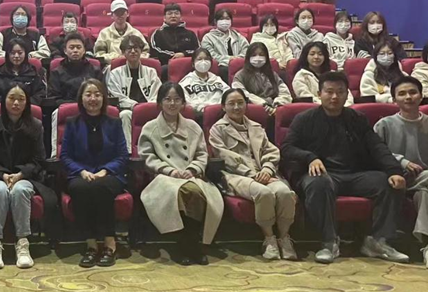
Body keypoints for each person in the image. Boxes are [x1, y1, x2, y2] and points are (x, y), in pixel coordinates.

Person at [280, 71, 408, 264]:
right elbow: (287, 148)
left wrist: (394, 171)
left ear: (347, 94)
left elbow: (377, 146)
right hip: (321, 174)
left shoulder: (357, 118)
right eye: (329, 91)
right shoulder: (304, 119)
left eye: (340, 92)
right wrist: (310, 158)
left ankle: (377, 241)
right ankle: (328, 242)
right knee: (318, 184)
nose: (334, 96)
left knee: (389, 183)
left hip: (354, 174)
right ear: (319, 93)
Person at [374, 77, 428, 271]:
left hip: (426, 182)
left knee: (425, 193)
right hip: (396, 180)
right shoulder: (384, 124)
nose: (408, 97)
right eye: (402, 93)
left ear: (421, 96)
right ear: (394, 99)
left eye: (413, 92)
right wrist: (402, 161)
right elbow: (376, 153)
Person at [0, 84, 58, 269]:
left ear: (27, 102)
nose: (16, 103)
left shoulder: (35, 126)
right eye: (12, 98)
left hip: (27, 177)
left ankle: (23, 242)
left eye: (21, 99)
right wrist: (2, 175)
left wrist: (20, 174)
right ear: (4, 101)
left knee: (20, 190)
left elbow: (39, 159)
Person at [139, 82, 224, 265]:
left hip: (191, 174)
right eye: (167, 99)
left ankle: (188, 243)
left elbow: (202, 153)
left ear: (183, 103)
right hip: (164, 177)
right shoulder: (150, 128)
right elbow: (147, 157)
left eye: (177, 99)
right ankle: (187, 244)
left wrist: (192, 169)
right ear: (159, 103)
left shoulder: (193, 127)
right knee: (187, 192)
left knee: (199, 193)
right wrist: (170, 170)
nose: (172, 103)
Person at [208, 89, 296, 260]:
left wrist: (267, 169)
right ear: (223, 107)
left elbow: (271, 151)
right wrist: (250, 173)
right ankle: (269, 238)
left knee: (284, 192)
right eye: (231, 103)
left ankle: (284, 237)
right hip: (236, 175)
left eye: (240, 103)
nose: (236, 107)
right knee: (263, 193)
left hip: (263, 173)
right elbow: (224, 156)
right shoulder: (218, 129)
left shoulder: (256, 127)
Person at [61, 79, 128, 268]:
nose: (93, 99)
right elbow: (65, 156)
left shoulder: (114, 123)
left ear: (104, 98)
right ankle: (91, 245)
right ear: (81, 98)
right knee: (80, 188)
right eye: (88, 94)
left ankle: (109, 244)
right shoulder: (72, 123)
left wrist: (105, 171)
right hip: (81, 174)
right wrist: (81, 171)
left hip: (109, 174)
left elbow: (122, 155)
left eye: (97, 94)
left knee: (101, 187)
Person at [47, 33, 105, 157]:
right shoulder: (57, 72)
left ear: (84, 50)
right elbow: (53, 99)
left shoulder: (95, 70)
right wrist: (77, 105)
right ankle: (55, 156)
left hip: (93, 110)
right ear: (65, 50)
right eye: (71, 47)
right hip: (67, 111)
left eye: (78, 47)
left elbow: (102, 94)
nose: (75, 50)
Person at [107, 35, 161, 149]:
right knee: (125, 115)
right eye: (129, 49)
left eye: (136, 48)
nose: (133, 51)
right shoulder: (115, 73)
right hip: (128, 109)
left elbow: (157, 93)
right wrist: (136, 106)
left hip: (149, 108)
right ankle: (128, 151)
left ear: (141, 51)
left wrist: (147, 107)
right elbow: (117, 96)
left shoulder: (151, 72)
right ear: (123, 52)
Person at [232, 43, 292, 116]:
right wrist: (263, 104)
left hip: (275, 108)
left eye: (261, 55)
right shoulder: (239, 75)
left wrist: (278, 104)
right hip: (254, 110)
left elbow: (284, 91)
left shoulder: (272, 74)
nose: (258, 58)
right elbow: (241, 94)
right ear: (248, 57)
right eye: (254, 55)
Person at [0, 38, 46, 105]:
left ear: (25, 54)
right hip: (3, 107)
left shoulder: (33, 73)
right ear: (7, 55)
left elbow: (40, 94)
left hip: (28, 107)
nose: (16, 56)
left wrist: (24, 103)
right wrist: (8, 102)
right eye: (12, 53)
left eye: (20, 53)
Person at [292, 41, 354, 105]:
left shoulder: (333, 74)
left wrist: (344, 106)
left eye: (320, 54)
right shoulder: (301, 76)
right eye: (312, 54)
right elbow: (307, 98)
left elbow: (347, 94)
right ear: (306, 57)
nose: (316, 57)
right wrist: (328, 105)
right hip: (314, 108)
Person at [93, 0, 149, 66]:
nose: (120, 15)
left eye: (122, 12)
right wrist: (117, 58)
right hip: (111, 66)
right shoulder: (104, 33)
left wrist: (131, 58)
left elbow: (145, 52)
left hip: (134, 66)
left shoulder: (136, 33)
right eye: (117, 13)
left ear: (127, 14)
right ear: (112, 15)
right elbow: (98, 54)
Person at [201, 9, 249, 81]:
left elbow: (247, 50)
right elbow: (210, 55)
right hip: (222, 66)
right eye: (221, 19)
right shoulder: (208, 37)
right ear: (215, 21)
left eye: (227, 18)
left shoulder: (237, 36)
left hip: (239, 64)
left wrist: (237, 60)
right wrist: (229, 60)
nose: (224, 21)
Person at [179, 48, 230, 115]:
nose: (203, 62)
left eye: (206, 59)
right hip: (198, 114)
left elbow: (228, 93)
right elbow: (185, 100)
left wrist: (217, 107)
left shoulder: (217, 79)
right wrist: (203, 109)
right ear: (193, 64)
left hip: (220, 112)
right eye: (199, 59)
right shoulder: (186, 81)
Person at [360, 37, 405, 103]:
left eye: (390, 53)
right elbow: (369, 97)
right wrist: (389, 99)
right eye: (382, 54)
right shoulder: (368, 75)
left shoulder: (403, 75)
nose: (386, 56)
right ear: (376, 57)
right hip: (379, 107)